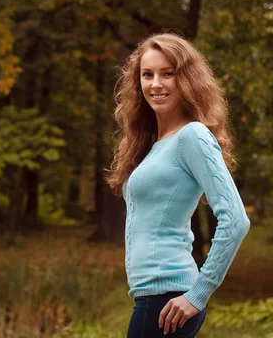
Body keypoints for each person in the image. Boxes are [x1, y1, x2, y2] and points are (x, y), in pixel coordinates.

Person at [105, 33, 251, 337]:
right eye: (148, 75)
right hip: (151, 295)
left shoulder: (191, 136)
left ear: (187, 80)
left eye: (167, 74)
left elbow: (235, 219)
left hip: (169, 298)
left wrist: (198, 294)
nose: (156, 84)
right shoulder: (153, 144)